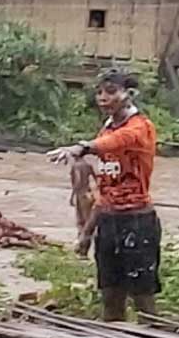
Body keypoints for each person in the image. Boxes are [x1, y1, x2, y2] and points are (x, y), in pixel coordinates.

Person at [50, 67, 160, 321]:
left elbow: (119, 141)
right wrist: (87, 233)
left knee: (144, 300)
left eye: (110, 92)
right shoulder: (107, 130)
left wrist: (82, 148)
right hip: (109, 222)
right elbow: (104, 191)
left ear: (129, 94)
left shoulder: (140, 127)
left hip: (137, 220)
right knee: (110, 297)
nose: (103, 98)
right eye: (99, 92)